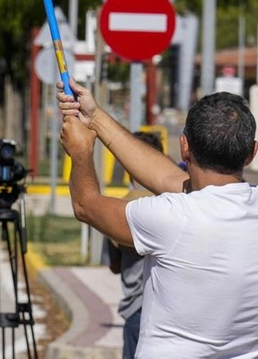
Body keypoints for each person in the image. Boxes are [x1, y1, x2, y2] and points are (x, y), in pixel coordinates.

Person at [59, 82, 258, 358]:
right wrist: (95, 118)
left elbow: (86, 206)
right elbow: (167, 178)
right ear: (251, 152)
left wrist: (80, 151)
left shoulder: (172, 218)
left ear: (184, 147)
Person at [101, 130, 164, 359]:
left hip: (136, 310)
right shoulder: (174, 203)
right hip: (170, 312)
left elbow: (114, 266)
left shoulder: (120, 208)